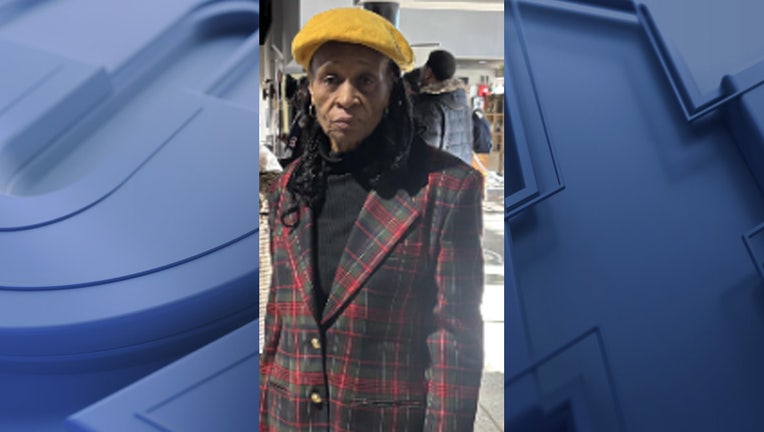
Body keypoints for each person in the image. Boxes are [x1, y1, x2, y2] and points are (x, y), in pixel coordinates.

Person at [260, 7, 484, 432]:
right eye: (331, 79)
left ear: (391, 90)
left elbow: (455, 340)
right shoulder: (288, 189)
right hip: (289, 417)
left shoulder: (445, 189)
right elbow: (279, 322)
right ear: (310, 88)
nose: (346, 98)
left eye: (365, 80)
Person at [414, 49, 473, 164]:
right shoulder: (464, 104)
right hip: (461, 170)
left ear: (428, 73)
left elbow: (425, 154)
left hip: (440, 173)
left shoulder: (431, 106)